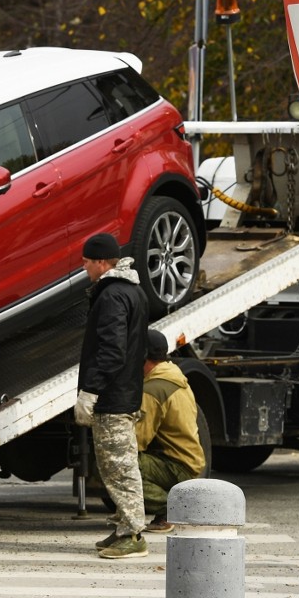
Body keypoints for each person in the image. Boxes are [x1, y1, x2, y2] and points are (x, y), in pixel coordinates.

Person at [74, 232, 150, 559]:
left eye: (88, 262)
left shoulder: (111, 296)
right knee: (115, 464)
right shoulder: (132, 291)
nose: (85, 268)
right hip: (125, 392)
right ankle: (122, 525)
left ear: (103, 262)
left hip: (112, 396)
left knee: (119, 467)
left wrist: (91, 389)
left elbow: (112, 351)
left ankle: (133, 534)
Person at [136, 329, 206, 533]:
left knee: (117, 464)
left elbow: (137, 440)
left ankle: (172, 509)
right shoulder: (175, 378)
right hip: (190, 464)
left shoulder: (153, 389)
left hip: (177, 467)